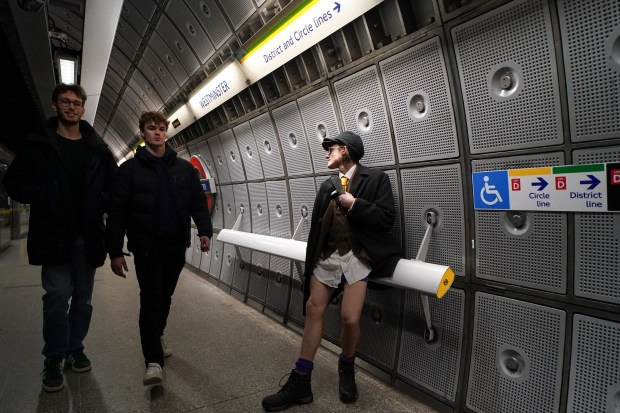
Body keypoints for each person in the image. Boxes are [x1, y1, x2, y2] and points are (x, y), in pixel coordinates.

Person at [262, 131, 402, 411]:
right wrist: (312, 260)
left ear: (346, 150)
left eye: (331, 149)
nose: (327, 154)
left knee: (350, 318)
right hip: (327, 257)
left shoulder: (375, 179)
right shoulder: (327, 186)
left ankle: (346, 365)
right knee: (314, 308)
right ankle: (301, 380)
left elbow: (387, 219)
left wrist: (356, 204)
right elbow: (317, 229)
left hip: (357, 257)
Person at [3, 83, 118, 392]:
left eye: (76, 103)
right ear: (55, 106)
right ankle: (53, 356)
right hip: (52, 235)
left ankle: (74, 347)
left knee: (82, 299)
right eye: (65, 102)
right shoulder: (38, 144)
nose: (71, 107)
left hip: (87, 236)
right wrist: (41, 196)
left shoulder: (97, 148)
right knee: (56, 297)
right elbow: (13, 181)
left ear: (83, 108)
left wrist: (101, 204)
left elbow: (113, 187)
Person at [105, 111, 212, 386]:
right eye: (151, 128)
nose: (157, 132)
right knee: (151, 299)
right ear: (142, 133)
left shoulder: (184, 169)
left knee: (165, 297)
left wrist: (204, 231)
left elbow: (198, 202)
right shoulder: (128, 170)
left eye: (161, 128)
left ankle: (158, 334)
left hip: (175, 245)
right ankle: (153, 361)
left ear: (167, 132)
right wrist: (115, 250)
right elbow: (117, 212)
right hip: (146, 247)